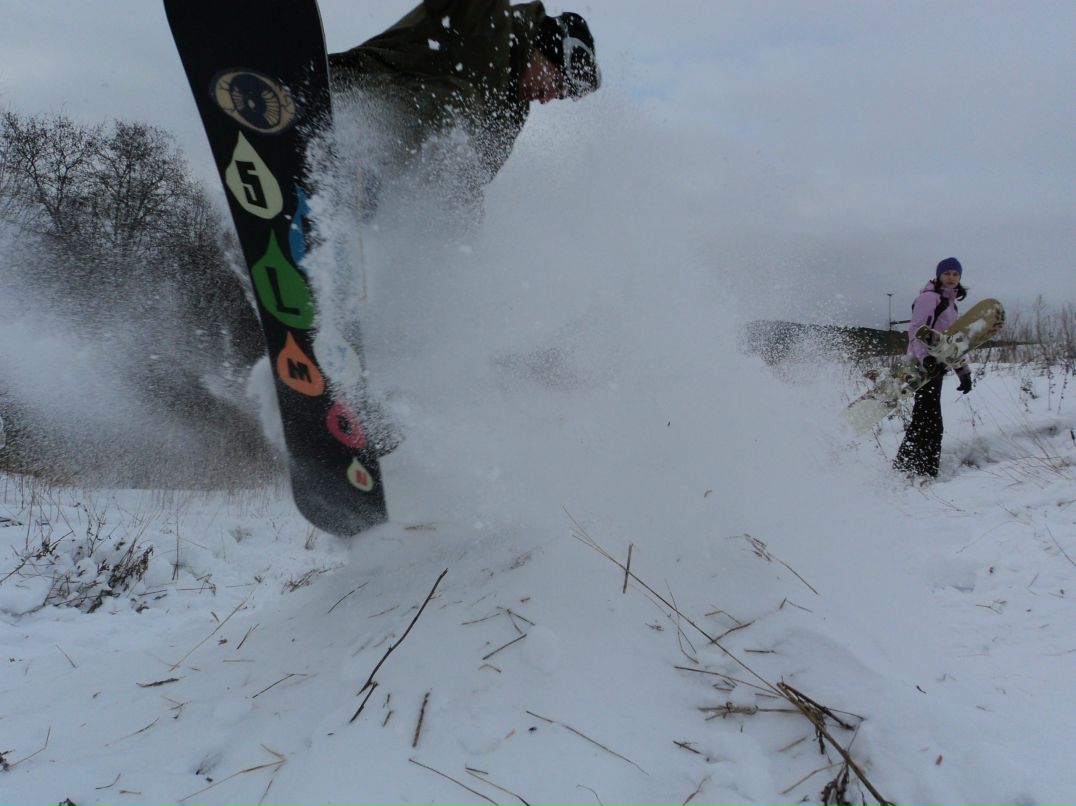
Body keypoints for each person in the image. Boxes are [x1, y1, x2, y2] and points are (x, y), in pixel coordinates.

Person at [328, 1, 600, 217]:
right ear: (545, 47)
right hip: (348, 93)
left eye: (561, 96)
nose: (548, 98)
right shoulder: (490, 21)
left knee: (463, 191)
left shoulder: (510, 117)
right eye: (556, 83)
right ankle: (354, 160)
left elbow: (468, 185)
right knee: (461, 109)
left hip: (385, 189)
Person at [893, 257, 975, 479]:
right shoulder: (929, 298)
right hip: (920, 368)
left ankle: (907, 466)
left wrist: (963, 373)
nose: (951, 277)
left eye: (955, 274)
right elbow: (916, 330)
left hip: (935, 368)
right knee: (930, 421)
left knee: (924, 418)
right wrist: (924, 358)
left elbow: (951, 344)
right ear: (939, 275)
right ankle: (922, 470)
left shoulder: (951, 305)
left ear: (960, 277)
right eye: (947, 273)